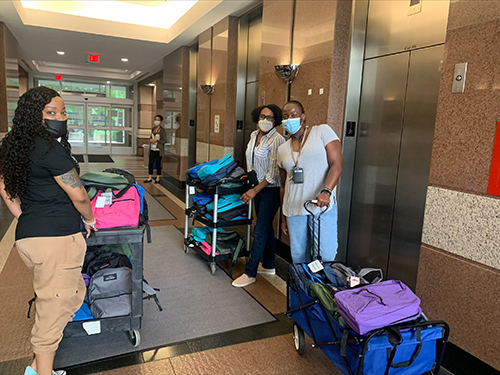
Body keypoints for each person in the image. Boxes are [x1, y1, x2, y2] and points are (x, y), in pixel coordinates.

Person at [0, 86, 96, 375]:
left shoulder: (11, 147)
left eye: (63, 112)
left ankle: (34, 368)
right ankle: (43, 373)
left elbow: (5, 188)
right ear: (34, 116)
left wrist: (25, 216)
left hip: (31, 240)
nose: (60, 117)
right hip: (57, 240)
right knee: (51, 315)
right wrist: (89, 220)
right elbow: (79, 194)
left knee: (71, 294)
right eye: (51, 112)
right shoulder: (50, 149)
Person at [277, 100, 342, 264]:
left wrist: (327, 191)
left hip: (320, 207)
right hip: (294, 209)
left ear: (303, 117)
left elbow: (337, 164)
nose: (289, 119)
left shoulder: (322, 132)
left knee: (326, 255)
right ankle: (303, 289)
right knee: (299, 257)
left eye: (293, 115)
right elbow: (284, 185)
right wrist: (284, 217)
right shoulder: (282, 149)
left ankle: (323, 288)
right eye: (285, 116)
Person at [232, 105, 285, 287]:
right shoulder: (254, 135)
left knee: (260, 229)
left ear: (276, 120)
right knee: (265, 226)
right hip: (257, 185)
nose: (266, 120)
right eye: (263, 116)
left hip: (270, 190)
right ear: (257, 117)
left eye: (270, 118)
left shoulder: (278, 140)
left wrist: (255, 190)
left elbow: (273, 174)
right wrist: (251, 175)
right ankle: (269, 265)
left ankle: (250, 272)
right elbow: (253, 159)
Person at [144, 115, 167, 184]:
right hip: (152, 149)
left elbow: (165, 140)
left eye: (158, 120)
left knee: (158, 164)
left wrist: (156, 141)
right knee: (150, 163)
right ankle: (150, 177)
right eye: (155, 119)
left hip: (158, 150)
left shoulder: (162, 131)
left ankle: (157, 178)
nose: (156, 121)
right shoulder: (153, 129)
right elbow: (150, 137)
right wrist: (150, 140)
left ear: (161, 121)